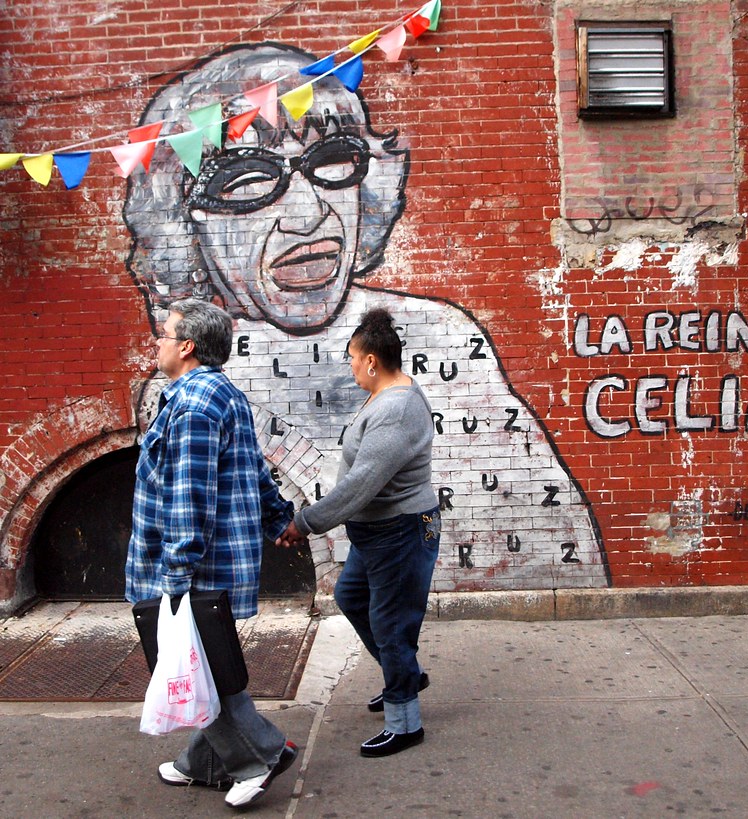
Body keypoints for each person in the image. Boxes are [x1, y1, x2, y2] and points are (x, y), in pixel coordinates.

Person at [124, 43, 608, 598]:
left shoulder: (444, 339)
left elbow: (563, 549)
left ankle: (401, 685)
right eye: (248, 181)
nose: (310, 217)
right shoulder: (198, 384)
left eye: (334, 163)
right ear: (183, 226)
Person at [125, 297, 301, 809]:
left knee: (197, 668)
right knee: (203, 661)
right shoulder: (220, 394)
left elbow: (190, 496)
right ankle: (200, 762)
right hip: (210, 560)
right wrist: (277, 519)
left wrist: (175, 575)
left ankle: (262, 755)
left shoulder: (195, 405)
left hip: (194, 565)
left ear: (188, 345)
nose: (157, 342)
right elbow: (253, 468)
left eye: (165, 334)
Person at [278, 307, 440, 757]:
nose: (348, 364)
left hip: (400, 532)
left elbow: (362, 485)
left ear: (371, 360)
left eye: (352, 356)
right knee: (353, 598)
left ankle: (405, 722)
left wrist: (305, 523)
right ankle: (404, 674)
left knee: (392, 624)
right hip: (378, 535)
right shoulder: (387, 393)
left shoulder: (394, 409)